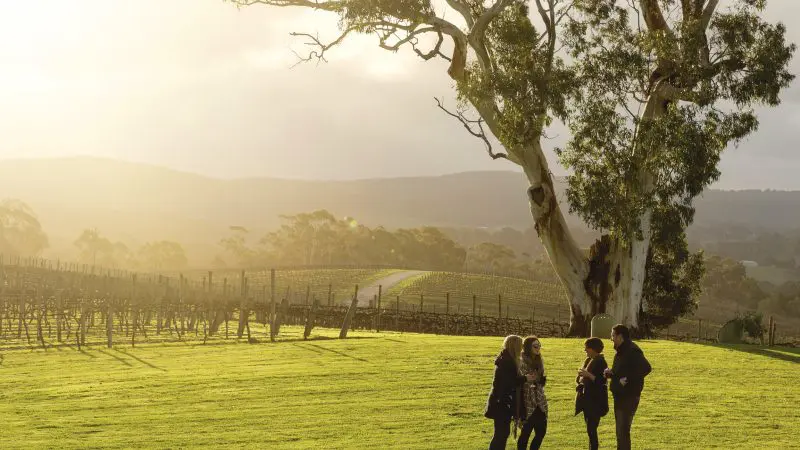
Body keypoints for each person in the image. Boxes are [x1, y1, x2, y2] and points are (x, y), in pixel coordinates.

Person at [603, 324, 652, 450]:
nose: (611, 338)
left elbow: (646, 368)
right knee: (620, 431)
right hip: (620, 396)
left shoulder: (632, 350)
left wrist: (628, 379)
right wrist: (612, 373)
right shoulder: (621, 351)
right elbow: (622, 371)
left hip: (628, 397)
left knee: (622, 431)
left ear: (620, 336)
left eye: (613, 335)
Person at [485, 335, 536, 450]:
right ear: (515, 346)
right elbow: (509, 383)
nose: (522, 349)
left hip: (501, 403)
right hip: (501, 404)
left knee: (502, 434)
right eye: (520, 346)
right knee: (500, 435)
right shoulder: (507, 363)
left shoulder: (506, 360)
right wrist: (525, 378)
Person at [575, 337, 609, 450]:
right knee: (590, 430)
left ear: (593, 349)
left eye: (587, 348)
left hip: (596, 401)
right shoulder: (588, 360)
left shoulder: (601, 362)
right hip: (587, 400)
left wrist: (587, 375)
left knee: (592, 429)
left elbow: (601, 381)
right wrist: (581, 375)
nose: (585, 350)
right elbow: (580, 379)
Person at [517, 336, 548, 450]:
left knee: (541, 431)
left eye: (539, 346)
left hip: (539, 399)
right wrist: (527, 379)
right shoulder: (521, 360)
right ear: (528, 347)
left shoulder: (539, 360)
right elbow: (518, 379)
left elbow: (541, 379)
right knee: (525, 433)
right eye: (535, 346)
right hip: (526, 399)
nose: (538, 348)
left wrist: (541, 379)